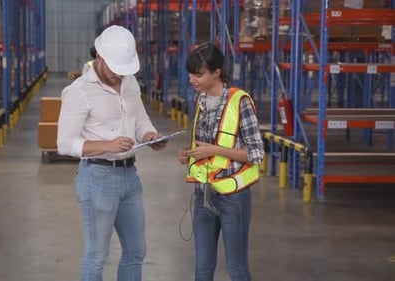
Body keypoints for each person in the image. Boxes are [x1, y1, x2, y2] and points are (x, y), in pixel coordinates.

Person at [57, 25, 167, 281]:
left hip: (130, 177)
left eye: (124, 70)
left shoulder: (130, 83)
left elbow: (140, 121)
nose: (120, 75)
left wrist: (151, 137)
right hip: (98, 178)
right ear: (100, 58)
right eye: (116, 69)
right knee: (97, 256)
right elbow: (64, 143)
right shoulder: (79, 91)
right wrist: (108, 145)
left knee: (136, 251)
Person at [177, 42, 264, 281]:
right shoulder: (201, 101)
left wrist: (215, 150)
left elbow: (256, 153)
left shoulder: (239, 102)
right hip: (203, 193)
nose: (192, 79)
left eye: (199, 74)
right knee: (202, 269)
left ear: (216, 72)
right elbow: (203, 147)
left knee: (236, 269)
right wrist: (188, 153)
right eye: (191, 73)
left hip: (232, 198)